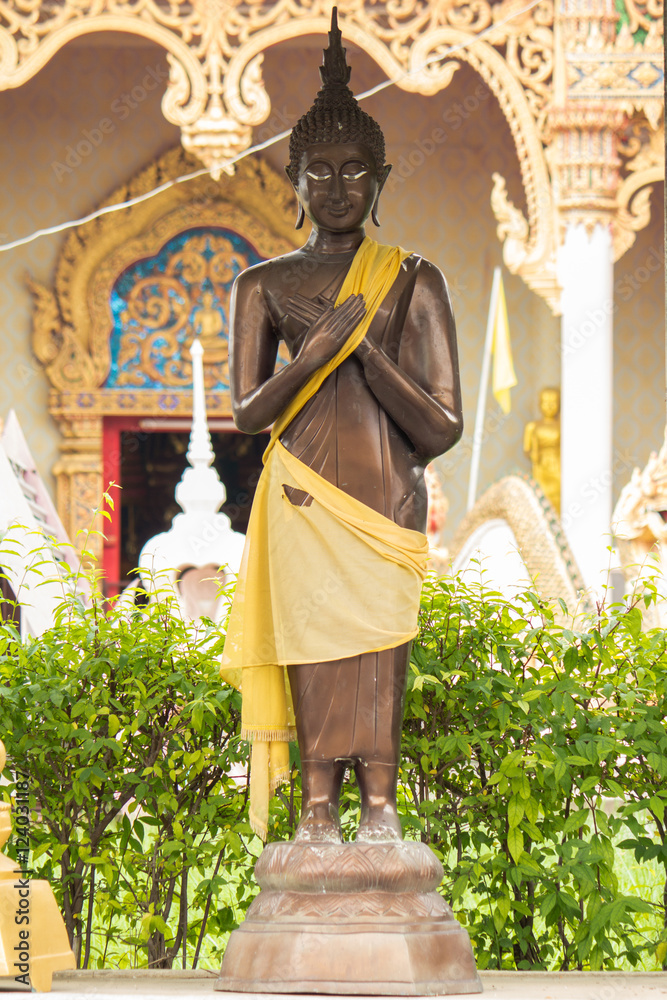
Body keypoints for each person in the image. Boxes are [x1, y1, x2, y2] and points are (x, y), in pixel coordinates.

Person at [220, 9, 463, 843]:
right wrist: (313, 352)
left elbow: (440, 428)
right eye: (316, 171)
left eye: (353, 170)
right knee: (313, 650)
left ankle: (380, 808)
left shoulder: (412, 279)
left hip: (386, 499)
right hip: (301, 498)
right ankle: (317, 807)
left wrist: (367, 358)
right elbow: (248, 414)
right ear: (291, 178)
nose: (334, 187)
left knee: (378, 650)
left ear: (381, 179)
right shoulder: (260, 284)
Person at [523, 387, 561, 513]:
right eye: (546, 402)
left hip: (557, 466)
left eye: (553, 402)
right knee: (541, 498)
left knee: (558, 497)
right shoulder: (533, 426)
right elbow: (527, 450)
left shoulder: (562, 426)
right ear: (540, 404)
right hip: (540, 467)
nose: (549, 407)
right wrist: (534, 452)